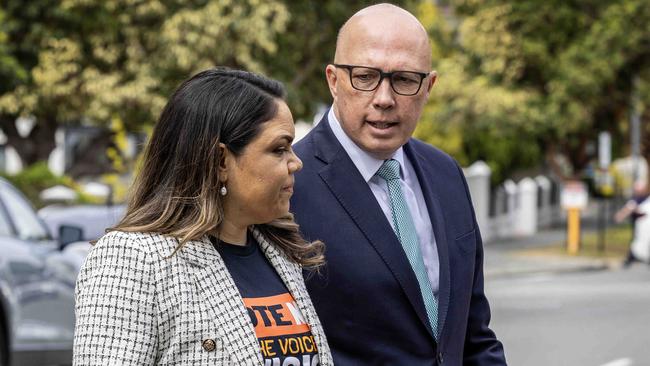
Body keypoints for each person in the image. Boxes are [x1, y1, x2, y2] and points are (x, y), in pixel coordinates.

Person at [290, 4, 506, 365]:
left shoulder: (446, 173)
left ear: (429, 86)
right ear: (333, 80)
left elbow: (473, 334)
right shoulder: (290, 184)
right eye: (365, 76)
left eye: (404, 80)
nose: (384, 99)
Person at [73, 68, 333, 365]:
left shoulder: (280, 253)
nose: (295, 162)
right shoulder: (132, 259)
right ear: (221, 160)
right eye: (278, 149)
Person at [615, 181, 650, 266]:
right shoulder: (637, 199)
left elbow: (629, 208)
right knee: (639, 241)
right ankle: (631, 258)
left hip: (645, 224)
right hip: (641, 224)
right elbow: (629, 208)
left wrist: (620, 216)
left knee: (641, 241)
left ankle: (631, 258)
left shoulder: (642, 199)